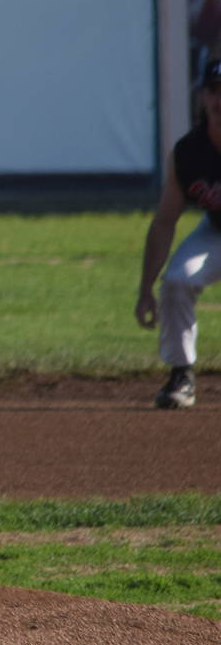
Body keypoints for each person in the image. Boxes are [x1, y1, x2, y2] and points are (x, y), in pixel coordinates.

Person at [136, 57, 221, 410]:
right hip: (215, 232)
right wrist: (145, 288)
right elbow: (164, 221)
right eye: (214, 90)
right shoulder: (188, 153)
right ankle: (181, 374)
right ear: (202, 96)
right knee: (177, 280)